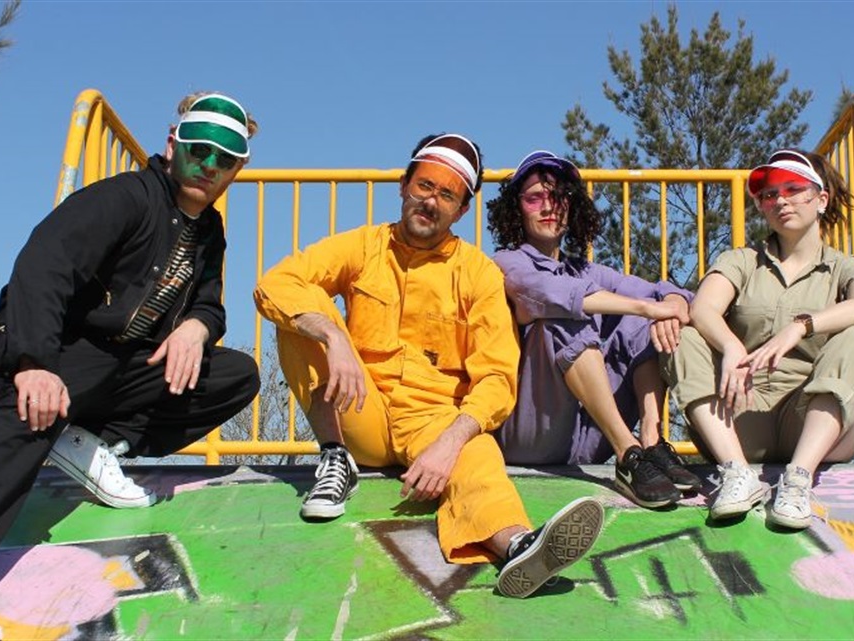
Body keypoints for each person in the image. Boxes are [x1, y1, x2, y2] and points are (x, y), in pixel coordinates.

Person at [0, 92, 262, 641]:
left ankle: (93, 441)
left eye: (224, 160)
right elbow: (45, 265)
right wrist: (33, 363)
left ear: (238, 168)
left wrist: (196, 327)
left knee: (234, 374)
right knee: (39, 407)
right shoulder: (123, 199)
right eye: (198, 151)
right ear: (172, 145)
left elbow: (209, 301)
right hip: (37, 350)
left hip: (111, 365)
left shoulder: (207, 232)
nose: (208, 167)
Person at [254, 134, 604, 599]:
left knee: (477, 450)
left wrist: (450, 441)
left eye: (447, 195)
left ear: (461, 210)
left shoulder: (478, 273)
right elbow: (277, 282)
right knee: (300, 316)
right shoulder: (363, 246)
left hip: (433, 423)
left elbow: (498, 378)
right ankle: (335, 459)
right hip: (359, 409)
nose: (430, 201)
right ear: (404, 185)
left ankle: (519, 546)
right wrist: (333, 336)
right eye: (424, 186)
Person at [663, 149, 854, 530]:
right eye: (769, 195)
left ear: (821, 198)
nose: (780, 200)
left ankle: (798, 480)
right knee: (683, 336)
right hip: (744, 412)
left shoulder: (845, 266)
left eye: (794, 189)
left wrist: (801, 326)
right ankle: (737, 474)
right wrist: (731, 346)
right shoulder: (742, 261)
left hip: (815, 421)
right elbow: (702, 309)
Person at [487, 151, 701, 509]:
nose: (548, 207)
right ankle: (628, 456)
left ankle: (650, 441)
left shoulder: (587, 270)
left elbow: (660, 292)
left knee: (639, 325)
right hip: (532, 434)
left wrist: (674, 303)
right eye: (534, 197)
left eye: (558, 197)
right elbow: (549, 294)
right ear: (516, 209)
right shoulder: (506, 262)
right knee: (563, 316)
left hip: (586, 437)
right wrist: (649, 306)